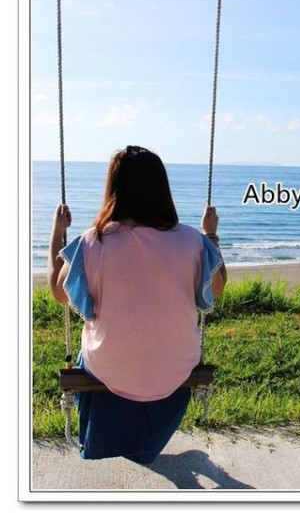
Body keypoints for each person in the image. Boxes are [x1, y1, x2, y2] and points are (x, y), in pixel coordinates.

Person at [47, 145, 227, 463]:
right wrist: (211, 235)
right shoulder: (192, 241)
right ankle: (143, 442)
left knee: (90, 344)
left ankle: (111, 437)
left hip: (109, 369)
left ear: (113, 190)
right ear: (162, 189)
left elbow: (59, 291)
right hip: (177, 367)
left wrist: (58, 233)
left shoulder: (92, 242)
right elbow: (218, 286)